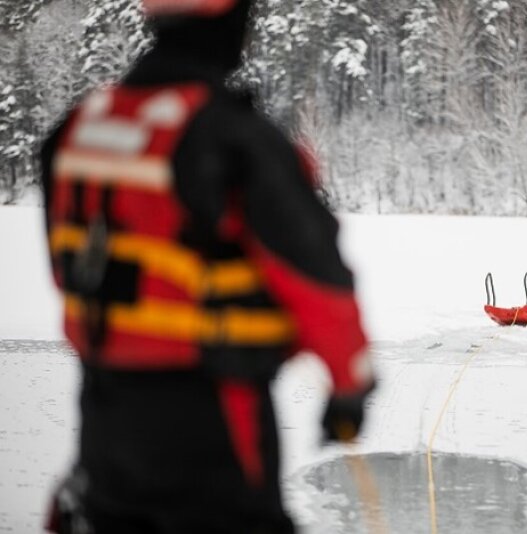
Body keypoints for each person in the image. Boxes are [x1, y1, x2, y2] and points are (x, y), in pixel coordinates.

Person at [41, 1, 375, 532]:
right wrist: (350, 385)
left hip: (104, 420)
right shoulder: (232, 136)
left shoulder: (78, 128)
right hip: (213, 415)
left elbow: (70, 265)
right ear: (232, 20)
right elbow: (318, 275)